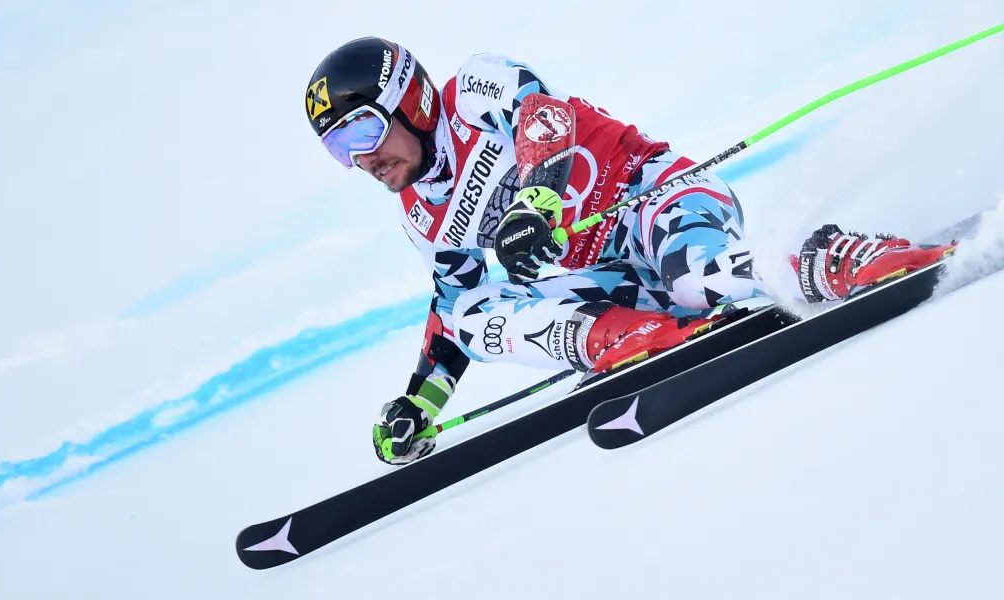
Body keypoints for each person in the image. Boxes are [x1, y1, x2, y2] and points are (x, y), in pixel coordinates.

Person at [303, 36, 954, 465]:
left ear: (408, 101)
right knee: (473, 310)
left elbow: (542, 117)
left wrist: (539, 201)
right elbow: (455, 311)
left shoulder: (470, 93)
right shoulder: (419, 215)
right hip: (613, 279)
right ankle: (621, 339)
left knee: (697, 279)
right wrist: (421, 403)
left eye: (361, 130)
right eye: (339, 150)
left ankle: (829, 259)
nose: (362, 160)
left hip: (656, 199)